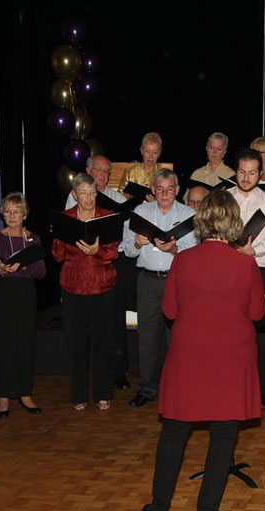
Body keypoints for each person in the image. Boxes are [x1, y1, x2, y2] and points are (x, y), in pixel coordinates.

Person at [141, 189, 265, 511]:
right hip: (231, 358)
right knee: (224, 436)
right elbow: (257, 312)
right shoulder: (245, 263)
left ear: (201, 220)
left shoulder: (183, 261)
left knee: (174, 433)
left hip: (189, 357)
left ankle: (159, 509)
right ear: (233, 222)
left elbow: (169, 311)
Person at [123, 169, 197, 407]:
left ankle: (178, 386)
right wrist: (136, 242)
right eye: (160, 189)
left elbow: (195, 252)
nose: (165, 194)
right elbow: (127, 250)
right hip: (147, 280)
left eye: (170, 189)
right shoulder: (140, 212)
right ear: (153, 190)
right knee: (147, 335)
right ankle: (147, 387)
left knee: (178, 335)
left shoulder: (188, 214)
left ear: (177, 190)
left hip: (177, 280)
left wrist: (174, 250)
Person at [51, 173, 120, 411]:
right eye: (83, 194)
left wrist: (96, 251)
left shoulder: (107, 217)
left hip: (102, 286)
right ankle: (78, 394)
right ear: (74, 194)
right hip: (73, 286)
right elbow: (57, 255)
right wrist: (60, 236)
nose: (89, 198)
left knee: (103, 342)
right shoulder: (66, 218)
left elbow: (113, 254)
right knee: (77, 342)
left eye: (92, 193)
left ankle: (103, 392)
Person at [66, 154, 134, 390]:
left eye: (107, 172)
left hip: (112, 262)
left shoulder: (116, 197)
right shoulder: (74, 196)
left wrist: (109, 247)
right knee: (83, 327)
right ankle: (82, 378)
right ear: (88, 171)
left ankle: (116, 373)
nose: (103, 176)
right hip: (81, 266)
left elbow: (126, 233)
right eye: (98, 171)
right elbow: (67, 233)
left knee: (113, 322)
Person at [0, 192, 46, 417]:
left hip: (25, 295)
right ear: (2, 213)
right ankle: (3, 397)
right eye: (8, 211)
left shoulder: (33, 239)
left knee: (24, 343)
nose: (12, 215)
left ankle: (24, 393)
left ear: (24, 214)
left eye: (16, 211)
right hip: (1, 295)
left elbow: (41, 271)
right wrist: (1, 269)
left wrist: (23, 268)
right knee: (2, 344)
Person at [229, 148, 265, 407]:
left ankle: (259, 391)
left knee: (259, 333)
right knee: (229, 332)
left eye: (252, 172)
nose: (246, 177)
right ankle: (230, 386)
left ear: (261, 174)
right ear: (235, 171)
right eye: (242, 171)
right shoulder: (224, 199)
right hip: (227, 273)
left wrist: (253, 251)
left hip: (259, 270)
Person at [119, 132, 163, 197]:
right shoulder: (130, 172)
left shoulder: (164, 175)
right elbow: (119, 197)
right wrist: (125, 196)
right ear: (141, 151)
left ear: (159, 153)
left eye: (155, 152)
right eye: (147, 151)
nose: (151, 156)